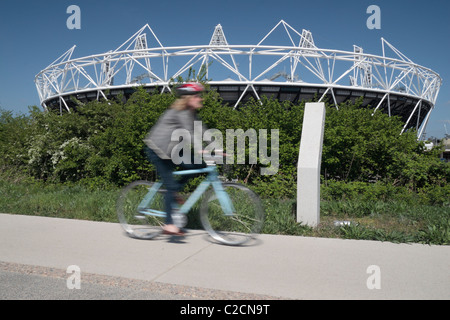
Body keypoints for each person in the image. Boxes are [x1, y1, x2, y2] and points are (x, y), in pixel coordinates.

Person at [144, 82, 207, 236]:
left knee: (199, 166)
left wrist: (217, 148)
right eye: (198, 96)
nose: (201, 99)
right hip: (158, 150)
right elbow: (190, 133)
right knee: (170, 187)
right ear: (189, 98)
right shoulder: (181, 112)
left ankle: (174, 192)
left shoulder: (192, 114)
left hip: (173, 151)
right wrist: (201, 148)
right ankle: (169, 224)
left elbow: (202, 130)